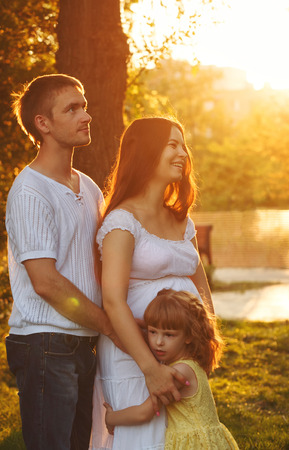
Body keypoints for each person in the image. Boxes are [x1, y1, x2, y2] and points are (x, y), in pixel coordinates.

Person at [5, 74, 121, 450]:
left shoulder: (86, 186)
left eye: (84, 105)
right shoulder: (30, 191)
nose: (85, 115)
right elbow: (46, 282)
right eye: (72, 108)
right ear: (44, 124)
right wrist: (108, 323)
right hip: (46, 344)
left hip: (83, 342)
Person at [90, 117, 214, 449]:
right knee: (144, 439)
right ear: (146, 153)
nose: (182, 154)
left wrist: (206, 342)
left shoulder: (180, 218)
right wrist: (150, 368)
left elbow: (200, 282)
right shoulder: (122, 221)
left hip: (183, 351)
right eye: (171, 145)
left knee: (184, 436)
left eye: (183, 145)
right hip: (136, 356)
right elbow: (113, 301)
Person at [103, 288, 239, 449]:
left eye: (169, 335)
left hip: (195, 444)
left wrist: (111, 418)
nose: (158, 342)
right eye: (153, 332)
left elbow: (144, 413)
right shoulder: (191, 362)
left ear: (189, 336)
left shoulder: (179, 373)